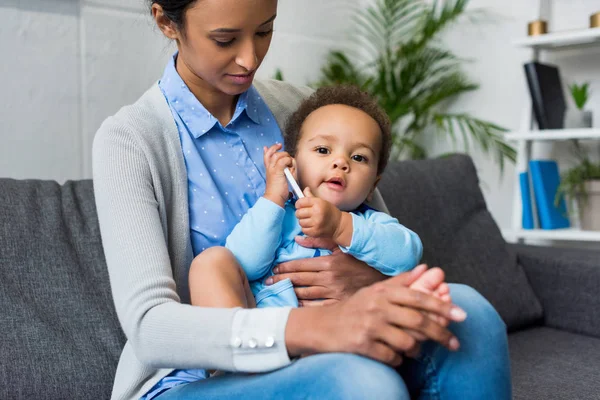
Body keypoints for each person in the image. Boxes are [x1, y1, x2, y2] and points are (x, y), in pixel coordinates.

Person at [92, 0, 512, 399]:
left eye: (264, 30)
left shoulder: (306, 110)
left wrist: (370, 283)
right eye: (225, 39)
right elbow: (149, 326)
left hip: (333, 346)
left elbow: (383, 238)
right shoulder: (130, 141)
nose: (249, 59)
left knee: (471, 316)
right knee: (359, 384)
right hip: (197, 378)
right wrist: (314, 326)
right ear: (167, 22)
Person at [188, 85, 453, 312]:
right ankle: (233, 361)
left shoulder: (368, 223)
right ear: (294, 163)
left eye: (358, 157)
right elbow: (245, 264)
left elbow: (407, 254)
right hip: (275, 340)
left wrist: (340, 226)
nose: (340, 162)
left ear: (373, 186)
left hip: (343, 341)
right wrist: (273, 196)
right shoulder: (279, 215)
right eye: (323, 150)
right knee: (212, 262)